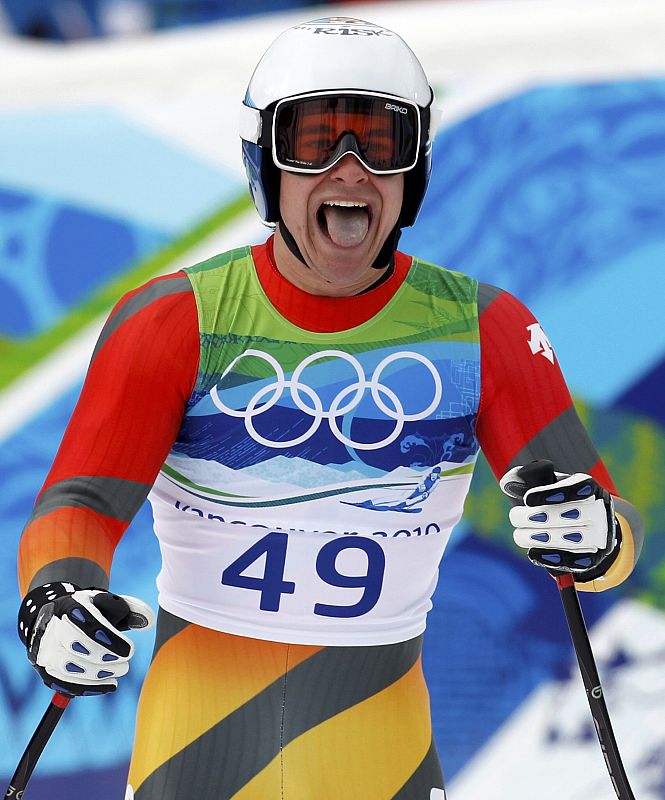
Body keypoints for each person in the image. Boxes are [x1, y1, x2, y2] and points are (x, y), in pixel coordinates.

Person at [17, 17, 644, 800]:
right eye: (314, 141)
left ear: (411, 170)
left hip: (377, 731)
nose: (349, 170)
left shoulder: (486, 328)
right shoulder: (175, 319)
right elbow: (80, 502)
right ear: (264, 165)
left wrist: (596, 535)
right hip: (200, 729)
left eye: (379, 143)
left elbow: (606, 531)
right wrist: (58, 595)